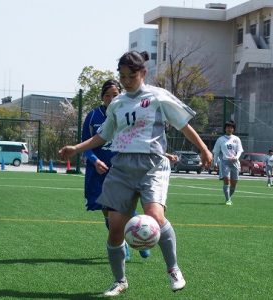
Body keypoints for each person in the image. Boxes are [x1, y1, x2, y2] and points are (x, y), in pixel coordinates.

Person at [59, 50, 212, 296]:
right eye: (122, 77)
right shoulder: (117, 104)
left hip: (152, 164)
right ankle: (120, 281)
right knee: (116, 227)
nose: (126, 82)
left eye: (130, 76)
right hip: (122, 167)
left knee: (155, 216)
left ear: (143, 73)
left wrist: (204, 149)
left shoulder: (158, 96)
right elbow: (103, 135)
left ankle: (173, 269)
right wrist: (77, 148)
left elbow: (183, 125)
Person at [82, 79, 150, 260]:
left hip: (122, 170)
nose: (111, 99)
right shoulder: (92, 116)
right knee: (108, 212)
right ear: (102, 97)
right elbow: (85, 145)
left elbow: (139, 139)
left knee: (125, 209)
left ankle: (143, 236)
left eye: (115, 95)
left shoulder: (128, 113)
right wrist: (95, 161)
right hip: (98, 173)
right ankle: (123, 245)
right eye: (107, 95)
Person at [212, 120, 244, 206]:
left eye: (231, 127)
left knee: (234, 183)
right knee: (227, 180)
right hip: (224, 162)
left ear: (233, 129)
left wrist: (236, 157)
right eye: (228, 127)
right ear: (225, 129)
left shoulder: (236, 139)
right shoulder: (220, 139)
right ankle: (228, 200)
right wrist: (214, 163)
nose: (229, 129)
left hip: (235, 163)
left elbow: (240, 150)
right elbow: (216, 152)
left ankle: (229, 197)